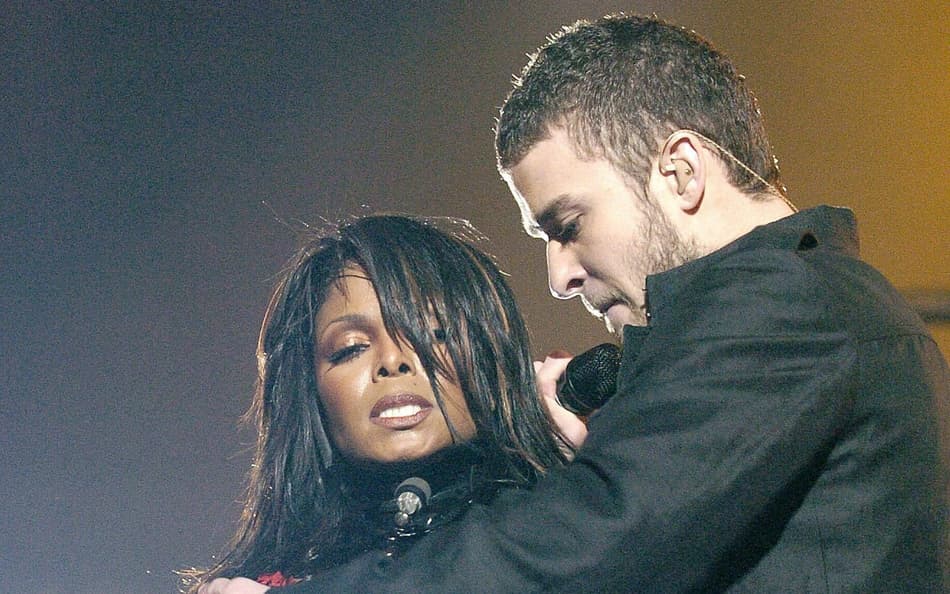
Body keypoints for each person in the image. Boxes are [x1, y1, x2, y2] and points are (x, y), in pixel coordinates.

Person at [201, 13, 949, 593]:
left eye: (567, 226)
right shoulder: (806, 310)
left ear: (681, 173)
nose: (559, 275)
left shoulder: (788, 306)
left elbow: (598, 537)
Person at [184, 214, 572, 594]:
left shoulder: (575, 528)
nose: (393, 360)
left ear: (493, 353)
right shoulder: (265, 584)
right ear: (310, 394)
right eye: (350, 348)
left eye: (433, 332)